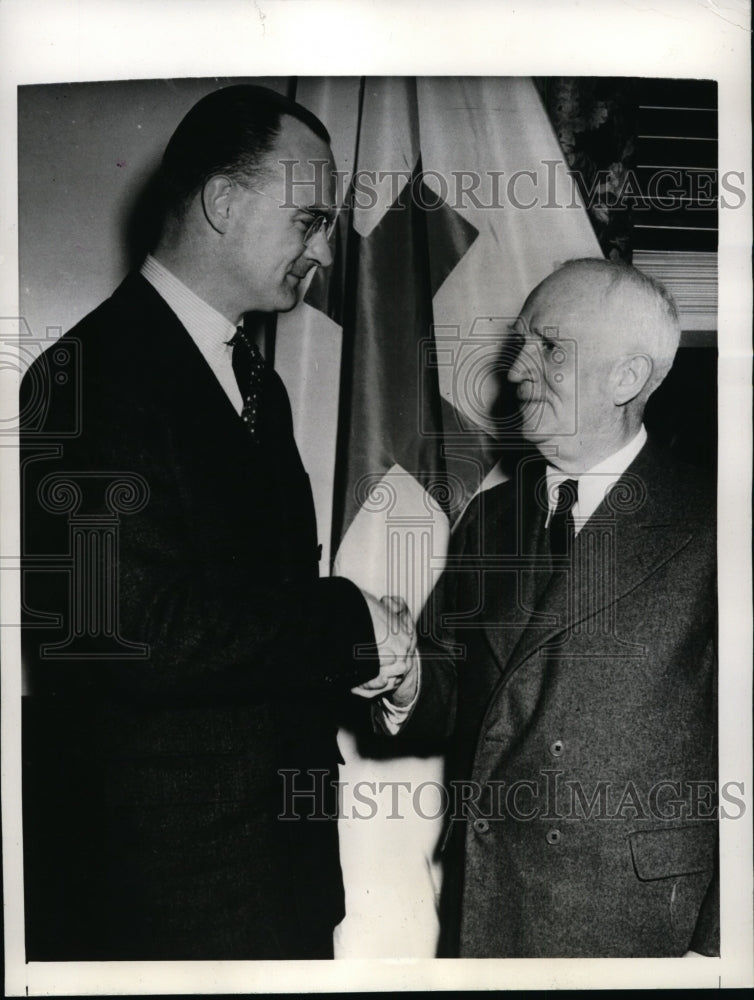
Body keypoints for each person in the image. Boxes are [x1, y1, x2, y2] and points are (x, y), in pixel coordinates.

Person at [20, 84, 412, 961]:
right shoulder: (85, 378)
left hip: (278, 872)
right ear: (224, 201)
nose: (324, 250)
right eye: (310, 220)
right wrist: (347, 624)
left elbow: (251, 604)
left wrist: (358, 650)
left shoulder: (254, 381)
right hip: (169, 898)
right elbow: (126, 633)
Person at [382, 258, 718, 958]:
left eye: (551, 348)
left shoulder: (718, 525)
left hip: (641, 926)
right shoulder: (490, 518)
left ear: (626, 378)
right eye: (521, 345)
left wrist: (720, 946)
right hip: (491, 903)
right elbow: (455, 687)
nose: (515, 371)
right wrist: (407, 677)